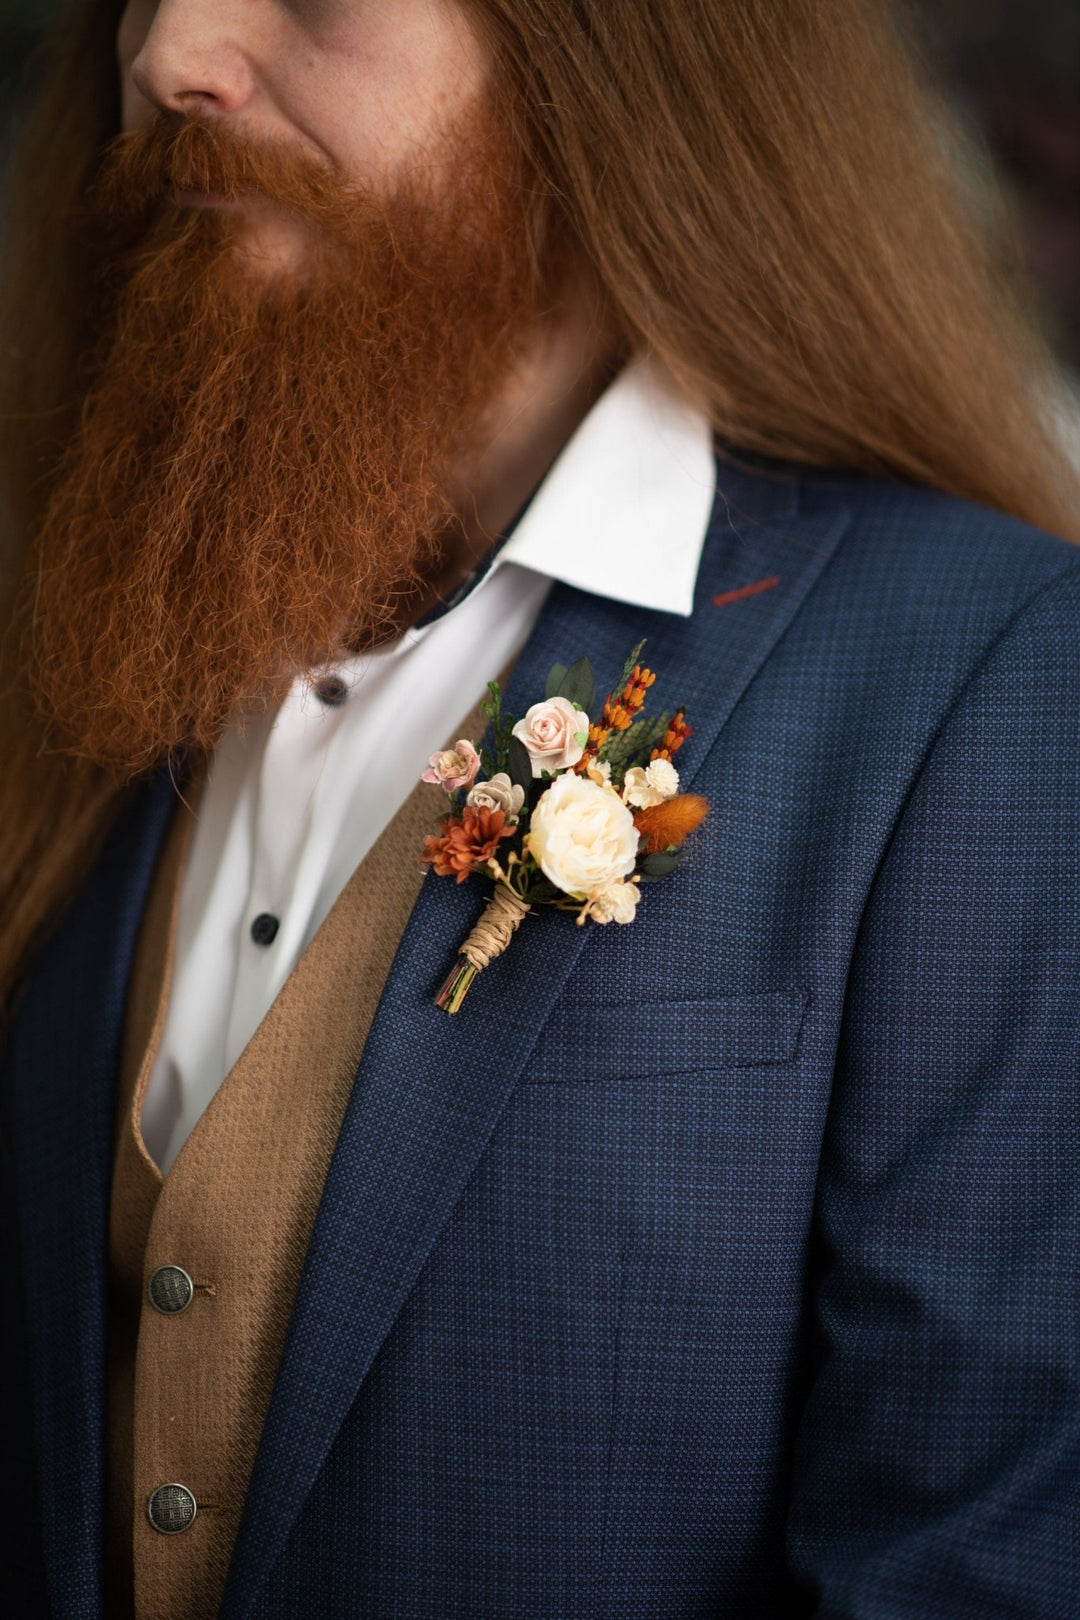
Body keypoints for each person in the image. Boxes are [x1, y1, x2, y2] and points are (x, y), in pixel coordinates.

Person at [2, 2, 1078, 1616]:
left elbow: (961, 1554)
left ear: (615, 57)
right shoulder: (91, 599)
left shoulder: (979, 674)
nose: (168, 54)